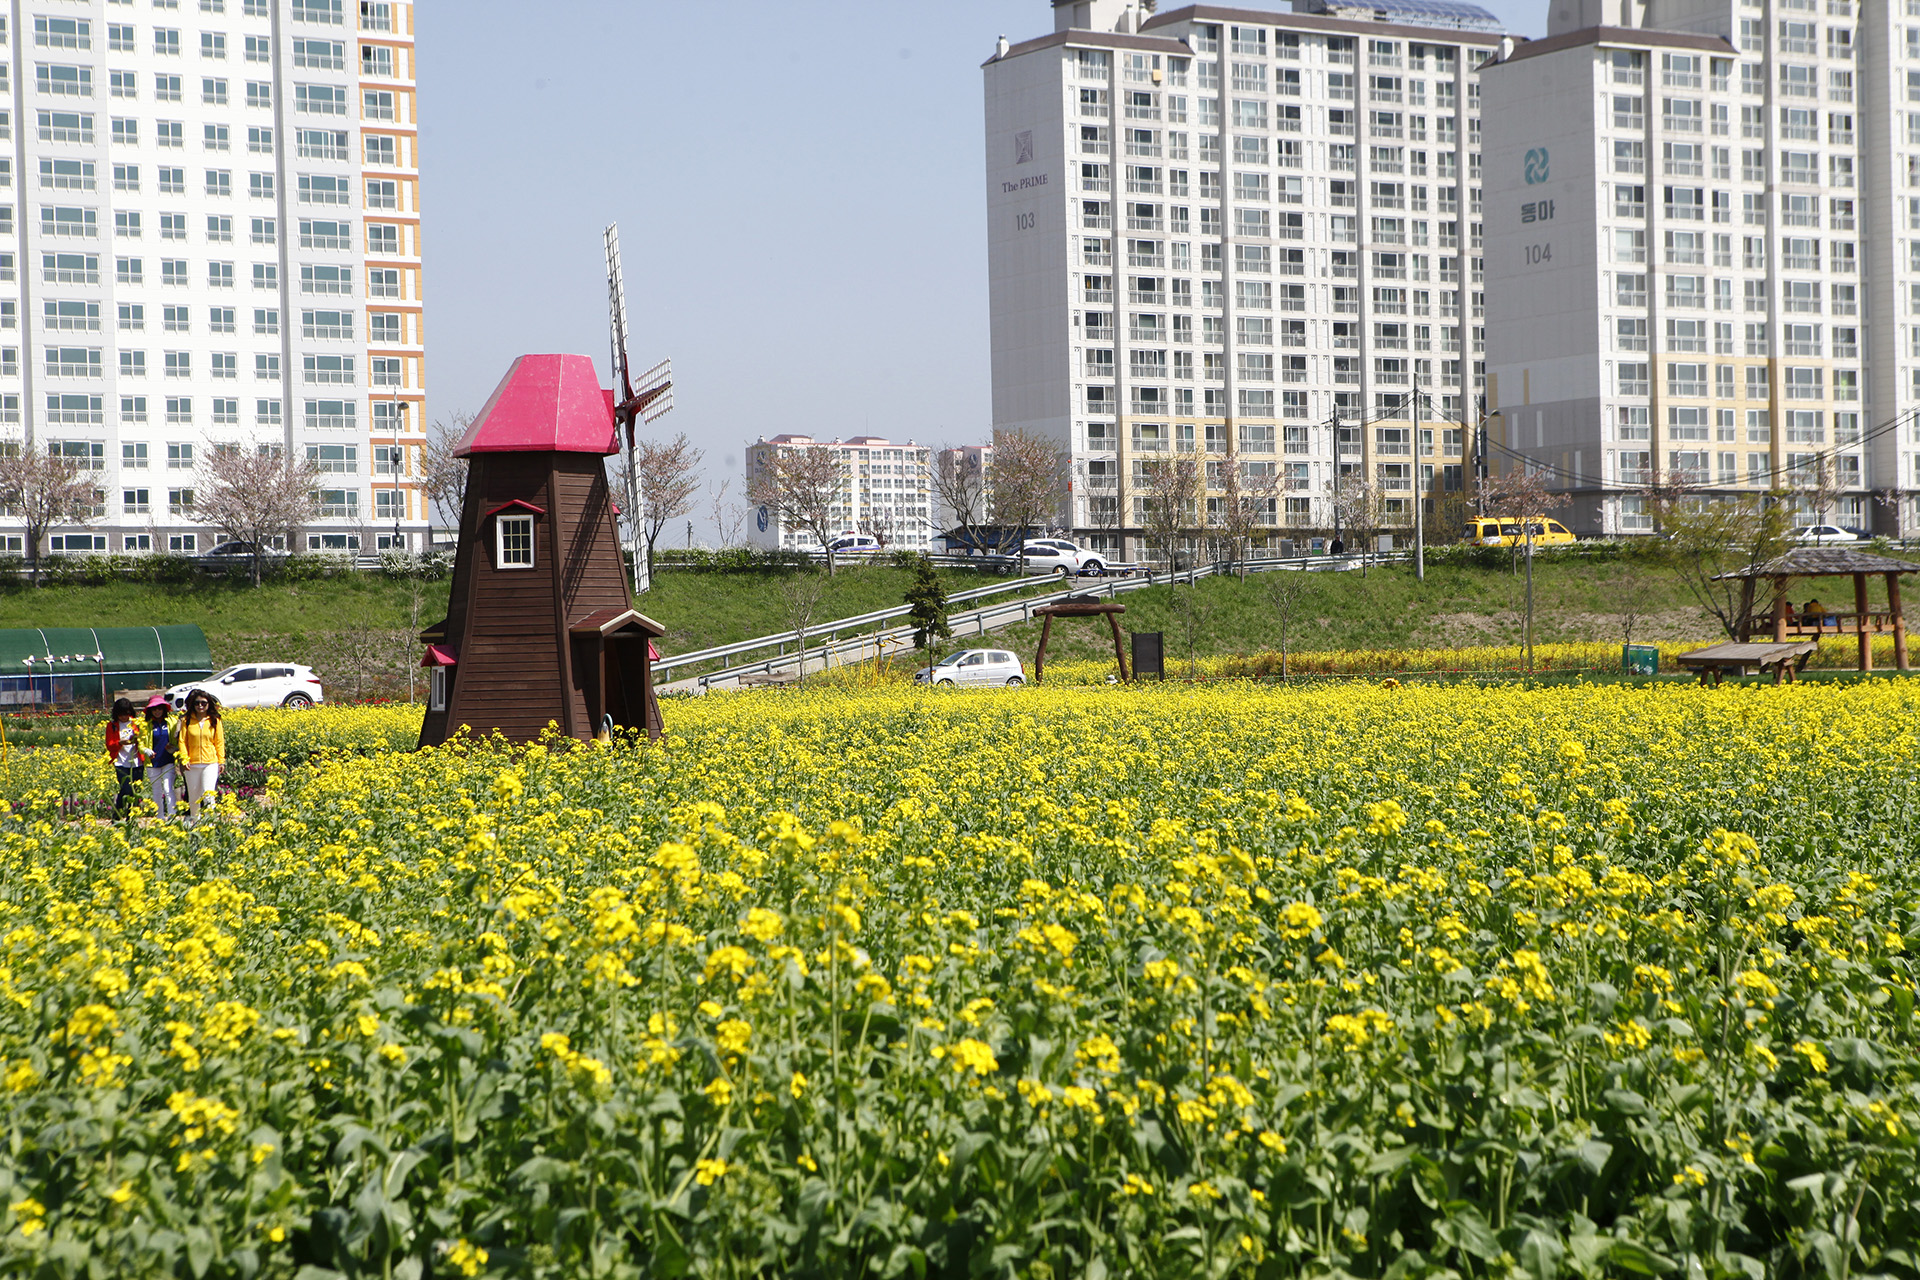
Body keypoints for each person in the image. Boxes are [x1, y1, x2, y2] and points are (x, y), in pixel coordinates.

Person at [179, 688, 225, 824]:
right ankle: (196, 824)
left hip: (210, 762)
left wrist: (221, 761)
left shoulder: (215, 720)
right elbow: (182, 741)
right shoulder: (186, 720)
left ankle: (210, 824)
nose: (200, 706)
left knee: (208, 794)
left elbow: (219, 742)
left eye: (203, 703)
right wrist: (184, 758)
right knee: (193, 797)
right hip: (191, 764)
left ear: (209, 704)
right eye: (197, 703)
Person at [105, 697, 147, 817]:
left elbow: (144, 739)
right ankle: (117, 814)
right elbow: (109, 745)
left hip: (137, 761)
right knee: (126, 789)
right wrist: (119, 743)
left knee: (135, 791)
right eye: (121, 714)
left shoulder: (136, 724)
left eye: (127, 714)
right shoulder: (112, 726)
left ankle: (131, 817)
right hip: (120, 762)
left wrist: (137, 740)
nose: (124, 717)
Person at [145, 695, 178, 819]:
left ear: (164, 709)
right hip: (153, 761)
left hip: (168, 760)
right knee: (156, 790)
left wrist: (175, 749)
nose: (157, 711)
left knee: (168, 787)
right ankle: (159, 816)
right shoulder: (146, 724)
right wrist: (146, 750)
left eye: (159, 708)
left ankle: (172, 816)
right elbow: (141, 743)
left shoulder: (171, 722)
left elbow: (177, 738)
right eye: (154, 709)